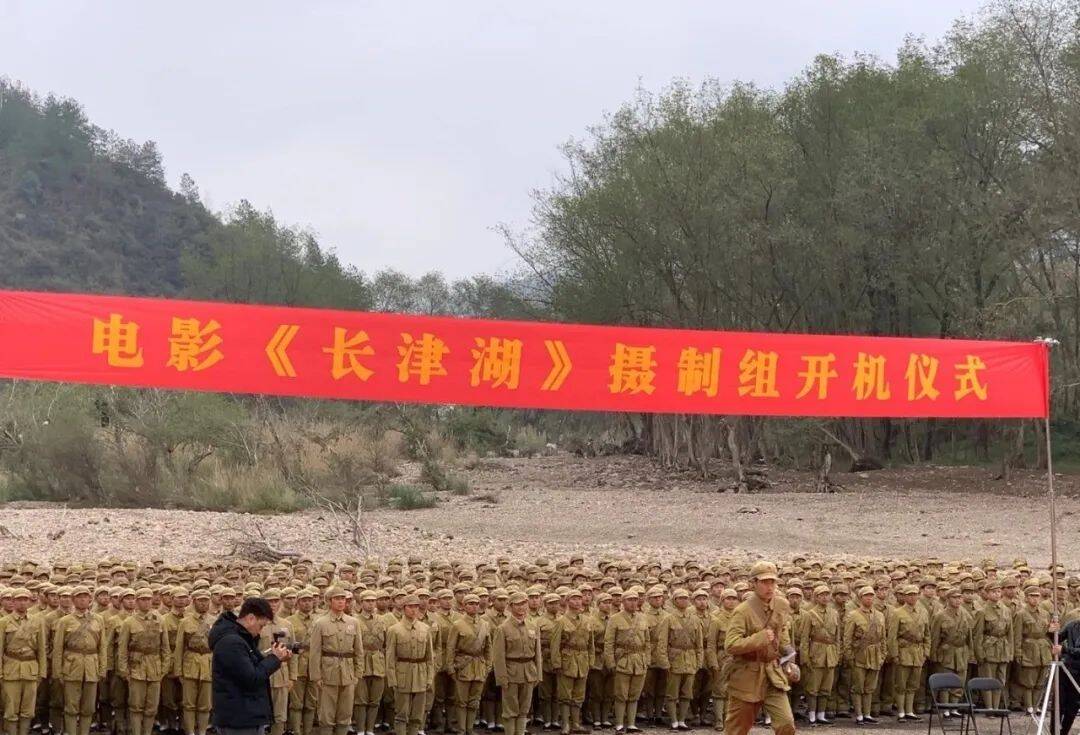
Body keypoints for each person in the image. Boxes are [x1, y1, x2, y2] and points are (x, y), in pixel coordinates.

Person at [723, 561, 794, 735]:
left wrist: (790, 658)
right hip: (747, 675)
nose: (769, 587)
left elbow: (783, 633)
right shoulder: (743, 611)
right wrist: (759, 639)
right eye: (764, 582)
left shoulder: (782, 605)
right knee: (737, 730)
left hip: (773, 674)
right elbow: (731, 645)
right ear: (753, 584)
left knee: (786, 724)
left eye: (773, 582)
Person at [209, 596, 292, 735]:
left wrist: (275, 657)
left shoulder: (240, 638)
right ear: (251, 618)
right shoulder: (232, 642)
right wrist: (274, 659)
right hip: (238, 719)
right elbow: (251, 678)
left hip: (244, 716)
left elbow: (249, 665)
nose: (260, 632)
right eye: (261, 626)